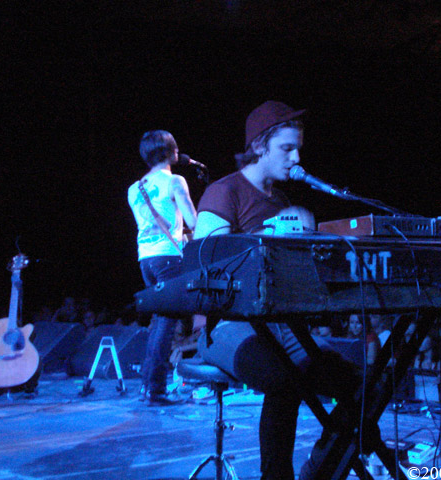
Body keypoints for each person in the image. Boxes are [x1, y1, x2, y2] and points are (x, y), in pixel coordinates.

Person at [194, 101, 362, 480]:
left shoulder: (283, 201)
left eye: (297, 148)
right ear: (259, 146)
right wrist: (264, 236)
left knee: (361, 383)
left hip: (282, 325)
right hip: (226, 325)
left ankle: (318, 471)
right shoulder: (225, 191)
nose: (297, 157)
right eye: (287, 148)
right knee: (283, 378)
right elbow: (206, 265)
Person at [128, 129, 197, 405]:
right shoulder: (175, 181)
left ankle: (148, 385)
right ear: (171, 152)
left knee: (159, 321)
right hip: (168, 257)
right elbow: (193, 220)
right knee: (167, 323)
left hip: (146, 257)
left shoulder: (134, 188)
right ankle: (155, 388)